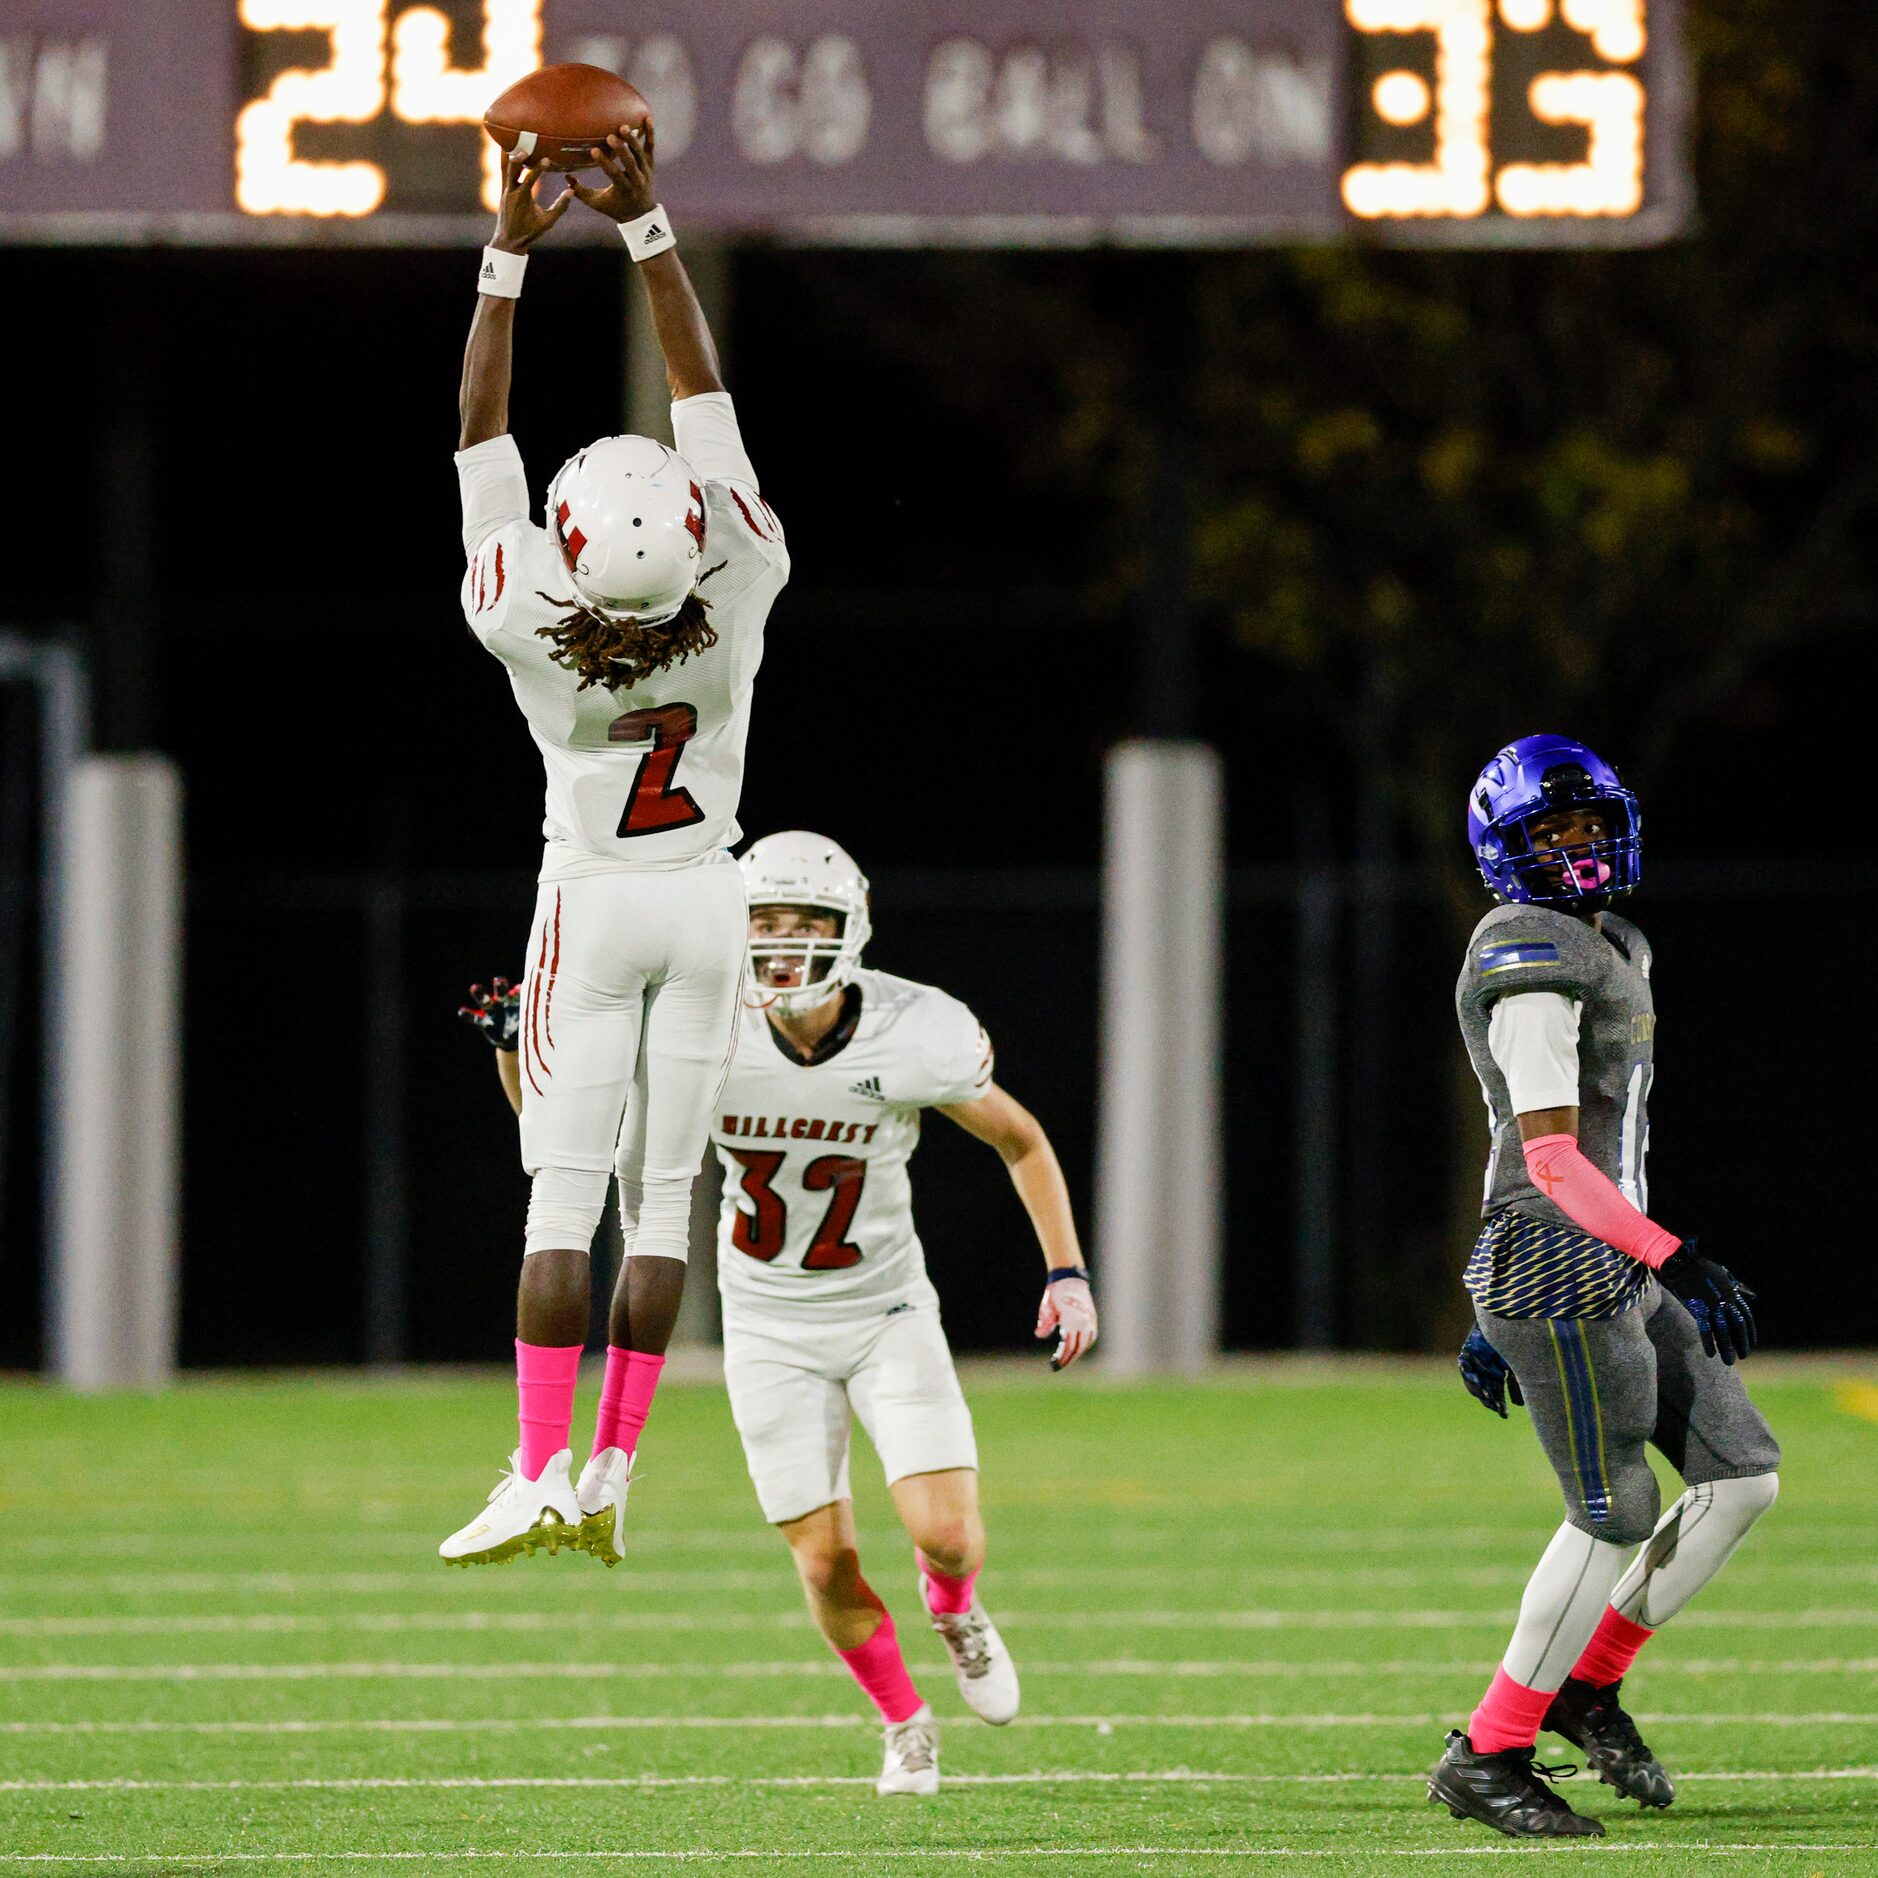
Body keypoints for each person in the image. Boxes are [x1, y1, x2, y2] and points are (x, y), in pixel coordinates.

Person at [461, 830, 1098, 1795]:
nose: (783, 942)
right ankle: (903, 1721)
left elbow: (1021, 1140)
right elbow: (577, 1137)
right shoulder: (703, 1025)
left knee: (947, 1533)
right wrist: (518, 1057)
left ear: (853, 930)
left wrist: (1067, 1273)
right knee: (825, 1557)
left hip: (885, 1308)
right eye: (764, 922)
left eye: (807, 923)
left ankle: (956, 1609)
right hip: (765, 1326)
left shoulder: (914, 1029)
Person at [442, 126, 789, 1568]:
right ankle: (616, 1468)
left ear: (574, 546)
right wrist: (650, 233)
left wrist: (508, 255)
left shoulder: (520, 609)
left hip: (591, 901)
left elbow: (481, 438)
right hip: (709, 898)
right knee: (663, 1206)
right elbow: (702, 392)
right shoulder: (747, 578)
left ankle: (532, 1465)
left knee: (561, 1199)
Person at [1428, 734, 1780, 1839]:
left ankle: (1587, 1684)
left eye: (1589, 824)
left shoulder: (1612, 938)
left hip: (1604, 1248)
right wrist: (1672, 1255)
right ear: (1509, 849)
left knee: (1740, 1478)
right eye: (1553, 831)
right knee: (1613, 1508)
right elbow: (1544, 1159)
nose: (1578, 847)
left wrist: (1646, 1252)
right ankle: (1487, 1752)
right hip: (1554, 1253)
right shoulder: (1524, 948)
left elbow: (1600, 1149)